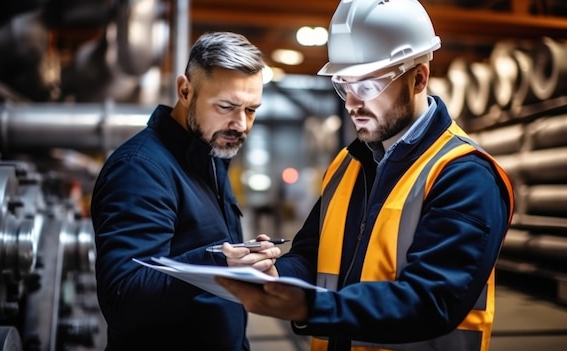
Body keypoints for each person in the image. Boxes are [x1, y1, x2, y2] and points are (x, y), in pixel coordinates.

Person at [215, 1, 515, 350]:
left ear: (418, 78)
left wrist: (312, 307)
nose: (351, 103)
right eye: (344, 84)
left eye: (369, 85)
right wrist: (277, 276)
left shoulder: (464, 176)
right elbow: (312, 256)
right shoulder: (347, 164)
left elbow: (432, 301)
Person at [90, 31, 269, 350]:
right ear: (185, 90)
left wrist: (243, 261)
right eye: (226, 106)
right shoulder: (140, 170)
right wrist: (218, 263)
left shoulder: (212, 155)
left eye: (251, 110)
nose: (240, 124)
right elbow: (123, 300)